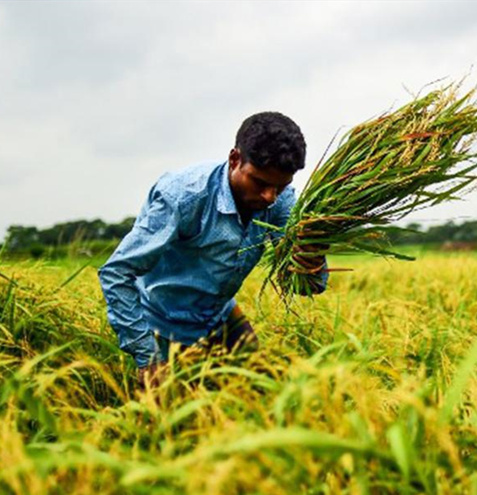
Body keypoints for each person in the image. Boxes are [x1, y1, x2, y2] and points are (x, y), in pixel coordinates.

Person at [98, 112, 328, 385]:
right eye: (260, 182)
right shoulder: (182, 197)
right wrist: (147, 358)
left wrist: (312, 261)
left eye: (280, 186)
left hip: (220, 314)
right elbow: (116, 273)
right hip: (163, 323)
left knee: (263, 390)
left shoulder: (281, 200)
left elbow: (305, 285)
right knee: (172, 419)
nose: (269, 197)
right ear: (235, 160)